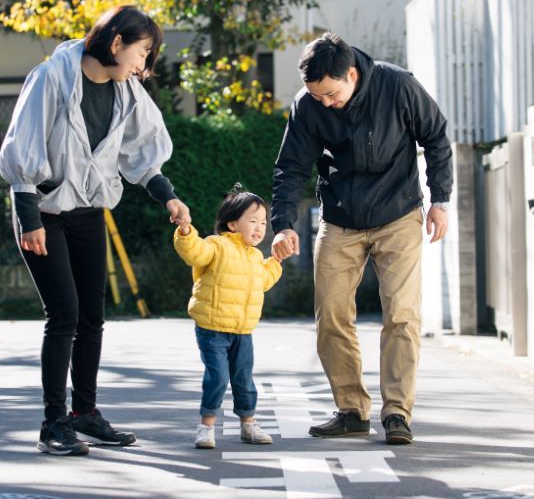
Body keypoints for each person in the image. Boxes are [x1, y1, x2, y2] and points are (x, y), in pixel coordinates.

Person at [0, 5, 192, 456]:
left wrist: (169, 197)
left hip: (88, 211)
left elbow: (142, 153)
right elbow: (22, 146)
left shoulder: (127, 92)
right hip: (43, 211)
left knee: (91, 316)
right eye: (143, 53)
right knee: (63, 313)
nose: (144, 66)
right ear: (116, 42)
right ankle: (53, 424)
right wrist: (28, 218)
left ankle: (84, 413)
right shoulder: (51, 78)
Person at [270, 32, 452, 446]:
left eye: (331, 94)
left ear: (351, 74)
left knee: (402, 314)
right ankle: (351, 410)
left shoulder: (398, 85)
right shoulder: (307, 105)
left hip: (398, 213)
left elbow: (436, 138)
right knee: (331, 315)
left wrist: (440, 200)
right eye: (317, 96)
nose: (325, 103)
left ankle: (397, 413)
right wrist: (283, 224)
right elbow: (291, 167)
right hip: (340, 218)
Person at [173, 184, 283, 450]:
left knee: (244, 380)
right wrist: (186, 231)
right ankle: (206, 427)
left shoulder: (256, 256)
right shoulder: (217, 245)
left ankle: (248, 425)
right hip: (212, 328)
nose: (259, 227)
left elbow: (262, 282)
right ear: (232, 224)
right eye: (253, 221)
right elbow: (194, 252)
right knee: (218, 377)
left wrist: (276, 261)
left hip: (242, 331)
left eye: (263, 222)